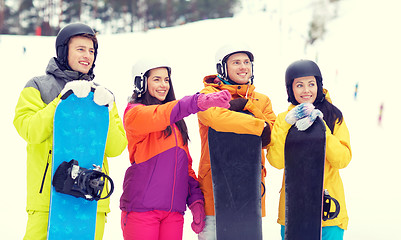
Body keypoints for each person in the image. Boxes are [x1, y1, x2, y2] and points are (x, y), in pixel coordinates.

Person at [13, 22, 127, 240]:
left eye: (92, 51)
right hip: (48, 200)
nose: (88, 56)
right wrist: (61, 102)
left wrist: (105, 111)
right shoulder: (37, 86)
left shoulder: (102, 94)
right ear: (64, 50)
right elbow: (30, 130)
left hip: (91, 200)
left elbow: (116, 147)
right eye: (80, 49)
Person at [120, 56, 232, 240]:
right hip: (142, 210)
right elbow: (159, 114)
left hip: (173, 213)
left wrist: (195, 200)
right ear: (141, 82)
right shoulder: (135, 113)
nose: (164, 85)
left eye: (166, 80)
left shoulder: (176, 123)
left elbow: (185, 166)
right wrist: (197, 102)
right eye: (156, 79)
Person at [196, 43, 276, 240]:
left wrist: (248, 106)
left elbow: (270, 135)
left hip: (250, 192)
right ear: (222, 68)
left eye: (247, 62)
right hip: (215, 193)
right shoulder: (207, 96)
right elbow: (215, 118)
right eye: (236, 62)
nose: (243, 67)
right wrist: (258, 125)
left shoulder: (261, 100)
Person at [267, 59, 352, 239]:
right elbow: (276, 161)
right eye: (299, 85)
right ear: (291, 89)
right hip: (293, 211)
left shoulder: (333, 115)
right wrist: (287, 125)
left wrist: (322, 128)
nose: (306, 90)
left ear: (319, 85)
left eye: (311, 84)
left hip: (328, 211)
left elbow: (342, 159)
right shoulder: (283, 119)